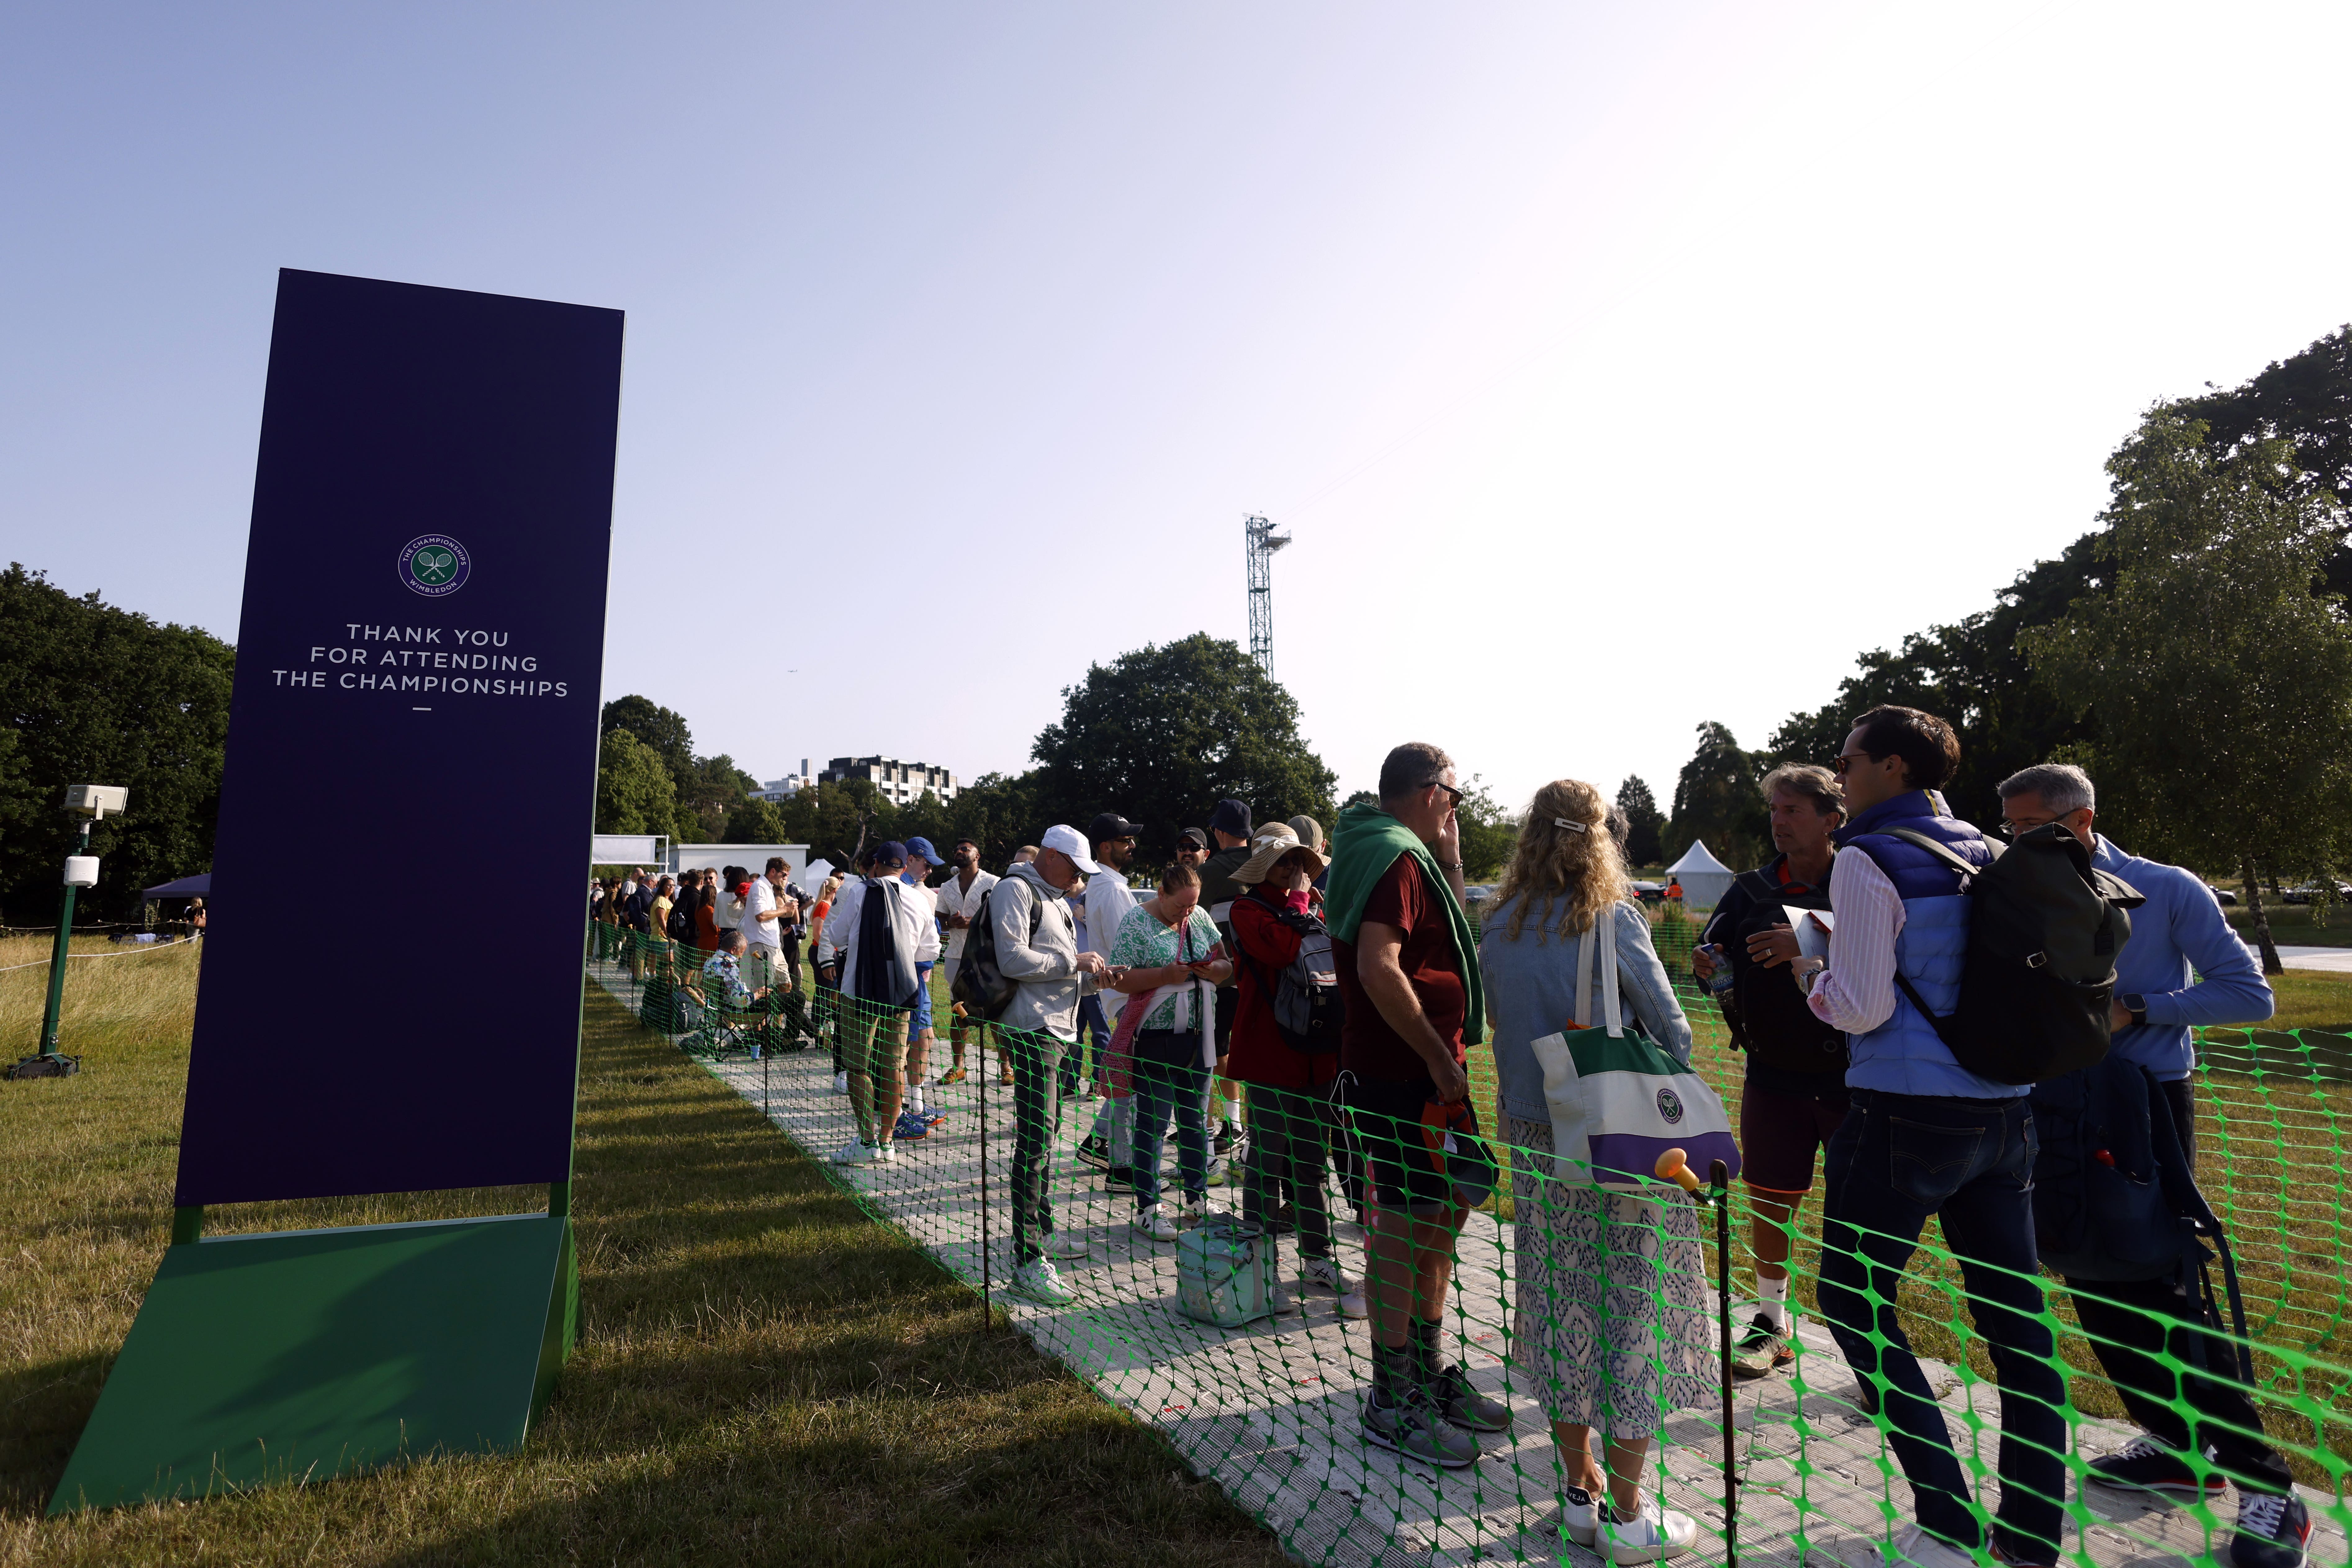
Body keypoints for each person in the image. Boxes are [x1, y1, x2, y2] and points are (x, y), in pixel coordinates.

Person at [1995, 764, 2304, 1566]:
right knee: (2089, 1280)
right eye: (2009, 828)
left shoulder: (2166, 888)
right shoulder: (2012, 886)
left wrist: (2140, 1008)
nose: (2015, 842)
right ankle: (2173, 1444)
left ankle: (2269, 1489)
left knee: (2164, 1293)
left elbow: (2249, 994)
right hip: (2051, 1103)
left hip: (2143, 1106)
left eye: (2030, 826)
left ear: (2083, 819)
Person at [1788, 705, 2062, 1568]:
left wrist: (1811, 976)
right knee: (2018, 1324)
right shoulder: (1989, 846)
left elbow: (1862, 1004)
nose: (1841, 772)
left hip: (1904, 1113)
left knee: (1853, 1302)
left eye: (1850, 758)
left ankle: (1945, 1515)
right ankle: (2029, 1537)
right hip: (2006, 1112)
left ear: (1894, 768)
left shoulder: (1866, 856)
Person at [1481, 780, 1712, 1560]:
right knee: (1631, 1310)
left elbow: (1499, 1027)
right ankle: (1628, 1510)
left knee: (1558, 1300)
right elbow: (1674, 1038)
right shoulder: (1610, 918)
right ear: (1601, 838)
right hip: (1617, 1135)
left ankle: (1576, 1492)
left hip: (1533, 1133)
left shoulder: (1501, 923)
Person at [1327, 742, 1510, 1468]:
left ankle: (1426, 1377)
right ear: (1431, 791)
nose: (1457, 810)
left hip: (1427, 1076)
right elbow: (1378, 963)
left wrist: (1455, 856)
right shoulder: (1393, 855)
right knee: (1404, 1230)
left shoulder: (1401, 851)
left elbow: (1441, 931)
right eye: (1455, 798)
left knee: (1441, 1215)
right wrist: (1436, 1055)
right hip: (1406, 1076)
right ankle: (1390, 1397)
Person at [1692, 763, 1848, 1379]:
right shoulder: (1751, 888)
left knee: (1860, 1212)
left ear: (1831, 819)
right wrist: (1708, 965)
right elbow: (1716, 952)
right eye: (1775, 811)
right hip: (1773, 1075)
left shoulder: (1861, 879)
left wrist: (1805, 944)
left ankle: (1872, 1342)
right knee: (1771, 1201)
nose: (1779, 823)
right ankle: (1772, 1324)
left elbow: (1892, 945)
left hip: (1855, 1077)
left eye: (1794, 811)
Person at [1228, 823, 1366, 1318]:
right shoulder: (1246, 911)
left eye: (1301, 863)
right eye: (1286, 862)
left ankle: (1317, 1257)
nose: (1296, 871)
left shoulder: (1311, 910)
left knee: (1310, 1161)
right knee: (1267, 1158)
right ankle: (1258, 1264)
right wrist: (1299, 907)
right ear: (1265, 865)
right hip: (1269, 1054)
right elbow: (1281, 949)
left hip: (1317, 1053)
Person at [988, 824, 1114, 1306]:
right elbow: (1012, 959)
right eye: (1075, 869)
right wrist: (1075, 964)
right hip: (1031, 1030)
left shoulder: (1058, 899)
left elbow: (1061, 972)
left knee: (1048, 1136)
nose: (1078, 880)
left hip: (1059, 1030)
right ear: (1052, 856)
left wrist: (1095, 981)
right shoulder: (1014, 890)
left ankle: (1041, 1235)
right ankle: (1027, 1259)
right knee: (1036, 1142)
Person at [1107, 863, 1230, 1240]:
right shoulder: (1135, 922)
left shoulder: (1200, 918)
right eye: (1180, 906)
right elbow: (1119, 978)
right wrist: (1164, 976)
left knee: (1195, 1121)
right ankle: (1148, 1207)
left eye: (1193, 906)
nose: (1187, 913)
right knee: (1154, 1124)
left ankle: (1197, 1198)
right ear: (1161, 894)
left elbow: (1227, 962)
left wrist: (1217, 971)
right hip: (1156, 1038)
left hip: (1198, 1036)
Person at [821, 842, 941, 1164]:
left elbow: (836, 937)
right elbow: (931, 951)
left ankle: (866, 1139)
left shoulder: (860, 892)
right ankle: (887, 1143)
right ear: (904, 867)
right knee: (893, 1068)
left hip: (859, 991)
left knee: (858, 1067)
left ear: (876, 864)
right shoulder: (919, 898)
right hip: (901, 992)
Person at [1197, 799, 1255, 1160]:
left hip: (1221, 978)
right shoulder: (1264, 863)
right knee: (1241, 1052)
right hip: (1262, 976)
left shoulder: (1213, 869)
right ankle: (1239, 1128)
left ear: (1219, 832)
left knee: (1212, 1053)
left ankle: (1221, 1134)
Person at [894, 838, 950, 1139]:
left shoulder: (918, 891)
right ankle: (899, 1113)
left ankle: (915, 1106)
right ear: (911, 859)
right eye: (926, 864)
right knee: (901, 1046)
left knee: (923, 1040)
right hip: (906, 980)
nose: (929, 870)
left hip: (919, 979)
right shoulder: (896, 889)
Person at [932, 837, 998, 1084]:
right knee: (958, 1011)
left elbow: (1004, 918)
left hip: (987, 957)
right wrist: (951, 923)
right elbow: (938, 921)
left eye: (965, 849)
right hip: (956, 956)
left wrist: (974, 922)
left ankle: (1005, 1066)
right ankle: (958, 1067)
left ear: (977, 856)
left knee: (994, 1011)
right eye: (956, 849)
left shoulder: (994, 883)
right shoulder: (947, 886)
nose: (959, 852)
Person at [741, 857, 794, 1002]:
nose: (785, 878)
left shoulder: (768, 887)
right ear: (773, 871)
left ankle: (776, 1024)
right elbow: (761, 916)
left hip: (773, 945)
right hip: (762, 944)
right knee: (764, 989)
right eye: (784, 875)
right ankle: (762, 1024)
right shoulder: (760, 887)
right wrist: (783, 909)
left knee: (786, 984)